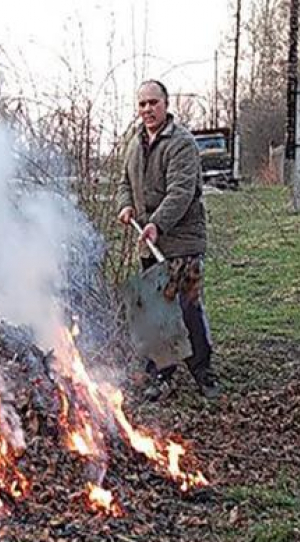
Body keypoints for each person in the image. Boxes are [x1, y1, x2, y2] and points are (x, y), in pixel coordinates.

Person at [117, 79, 218, 401]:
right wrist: (126, 205)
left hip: (181, 241)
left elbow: (181, 192)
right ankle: (161, 375)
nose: (147, 109)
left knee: (186, 307)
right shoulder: (134, 144)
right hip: (149, 239)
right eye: (142, 104)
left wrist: (157, 224)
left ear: (166, 104)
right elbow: (123, 183)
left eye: (153, 103)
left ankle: (204, 372)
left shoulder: (182, 143)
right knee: (155, 311)